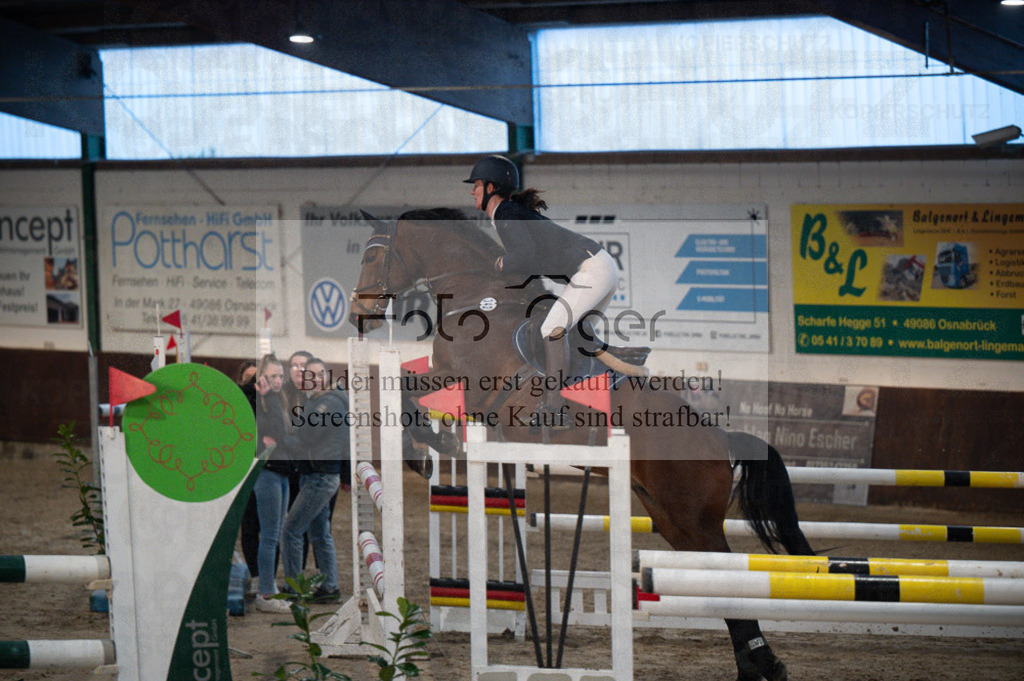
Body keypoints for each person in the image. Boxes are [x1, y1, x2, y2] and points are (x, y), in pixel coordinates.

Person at [464, 154, 619, 429]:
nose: (471, 191)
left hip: (593, 269)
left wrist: (501, 263)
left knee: (552, 330)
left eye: (476, 185)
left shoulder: (506, 213)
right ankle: (593, 393)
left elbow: (525, 255)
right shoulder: (509, 213)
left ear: (490, 188)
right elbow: (532, 260)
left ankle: (554, 408)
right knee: (572, 336)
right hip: (600, 266)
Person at [280, 357, 349, 602]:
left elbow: (307, 436)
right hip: (318, 474)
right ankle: (329, 587)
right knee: (320, 533)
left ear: (326, 376)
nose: (316, 379)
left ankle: (295, 587)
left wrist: (279, 438)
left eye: (320, 374)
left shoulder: (327, 403)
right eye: (311, 375)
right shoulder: (323, 400)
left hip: (319, 475)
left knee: (290, 530)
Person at [250, 354, 299, 613]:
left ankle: (268, 586)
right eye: (272, 376)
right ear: (262, 377)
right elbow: (276, 433)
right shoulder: (262, 401)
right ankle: (266, 593)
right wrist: (267, 396)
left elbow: (283, 436)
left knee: (275, 534)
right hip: (267, 472)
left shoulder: (278, 401)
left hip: (280, 471)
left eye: (281, 376)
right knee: (269, 536)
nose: (278, 381)